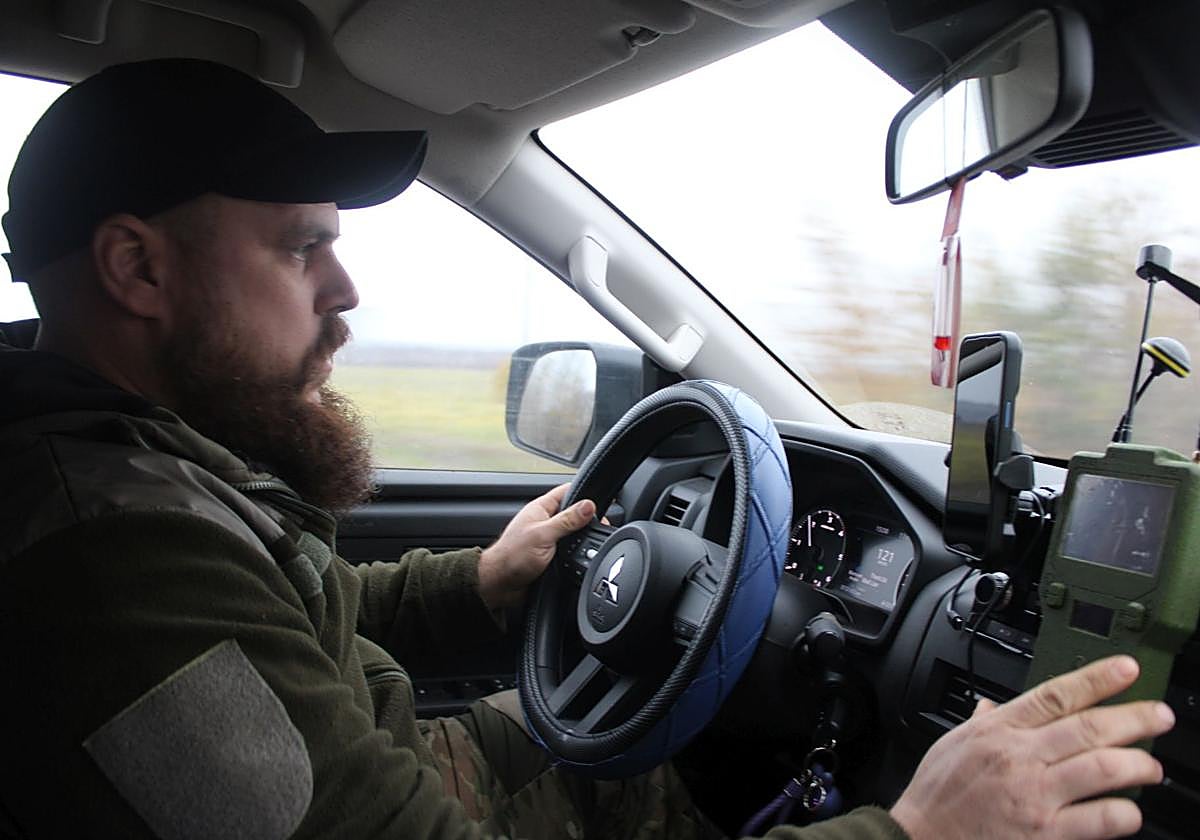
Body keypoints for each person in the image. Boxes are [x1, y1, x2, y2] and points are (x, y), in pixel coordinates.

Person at [0, 58, 1172, 840]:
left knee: (656, 756)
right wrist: (915, 830)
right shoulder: (112, 570)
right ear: (137, 267)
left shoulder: (137, 470)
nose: (344, 289)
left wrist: (480, 583)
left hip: (392, 756)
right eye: (301, 248)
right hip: (407, 788)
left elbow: (301, 616)